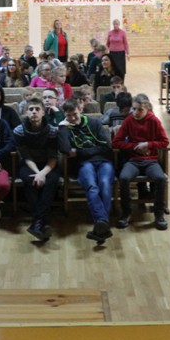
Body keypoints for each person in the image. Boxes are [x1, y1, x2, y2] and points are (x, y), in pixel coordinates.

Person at [58, 98, 115, 243]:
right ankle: (103, 223)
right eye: (68, 116)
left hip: (103, 161)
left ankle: (101, 224)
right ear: (65, 115)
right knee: (92, 186)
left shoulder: (94, 123)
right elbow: (65, 149)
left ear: (80, 110)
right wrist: (62, 127)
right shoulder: (65, 128)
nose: (72, 118)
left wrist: (79, 152)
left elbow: (106, 147)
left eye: (75, 114)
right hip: (84, 164)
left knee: (105, 183)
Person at [112, 94, 169, 230]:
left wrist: (148, 144)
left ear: (147, 109)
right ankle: (126, 212)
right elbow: (116, 142)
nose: (136, 112)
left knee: (160, 178)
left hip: (151, 161)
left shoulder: (154, 120)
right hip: (134, 160)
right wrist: (135, 147)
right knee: (123, 178)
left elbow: (165, 142)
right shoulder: (129, 120)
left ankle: (159, 213)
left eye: (140, 110)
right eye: (134, 109)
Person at [13, 96, 60, 242]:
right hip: (29, 164)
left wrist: (43, 173)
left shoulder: (52, 131)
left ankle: (38, 222)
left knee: (51, 181)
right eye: (31, 109)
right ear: (26, 112)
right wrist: (38, 173)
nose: (34, 112)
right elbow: (26, 156)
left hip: (48, 164)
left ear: (43, 112)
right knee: (29, 180)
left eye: (37, 109)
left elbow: (53, 157)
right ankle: (42, 221)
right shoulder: (19, 131)